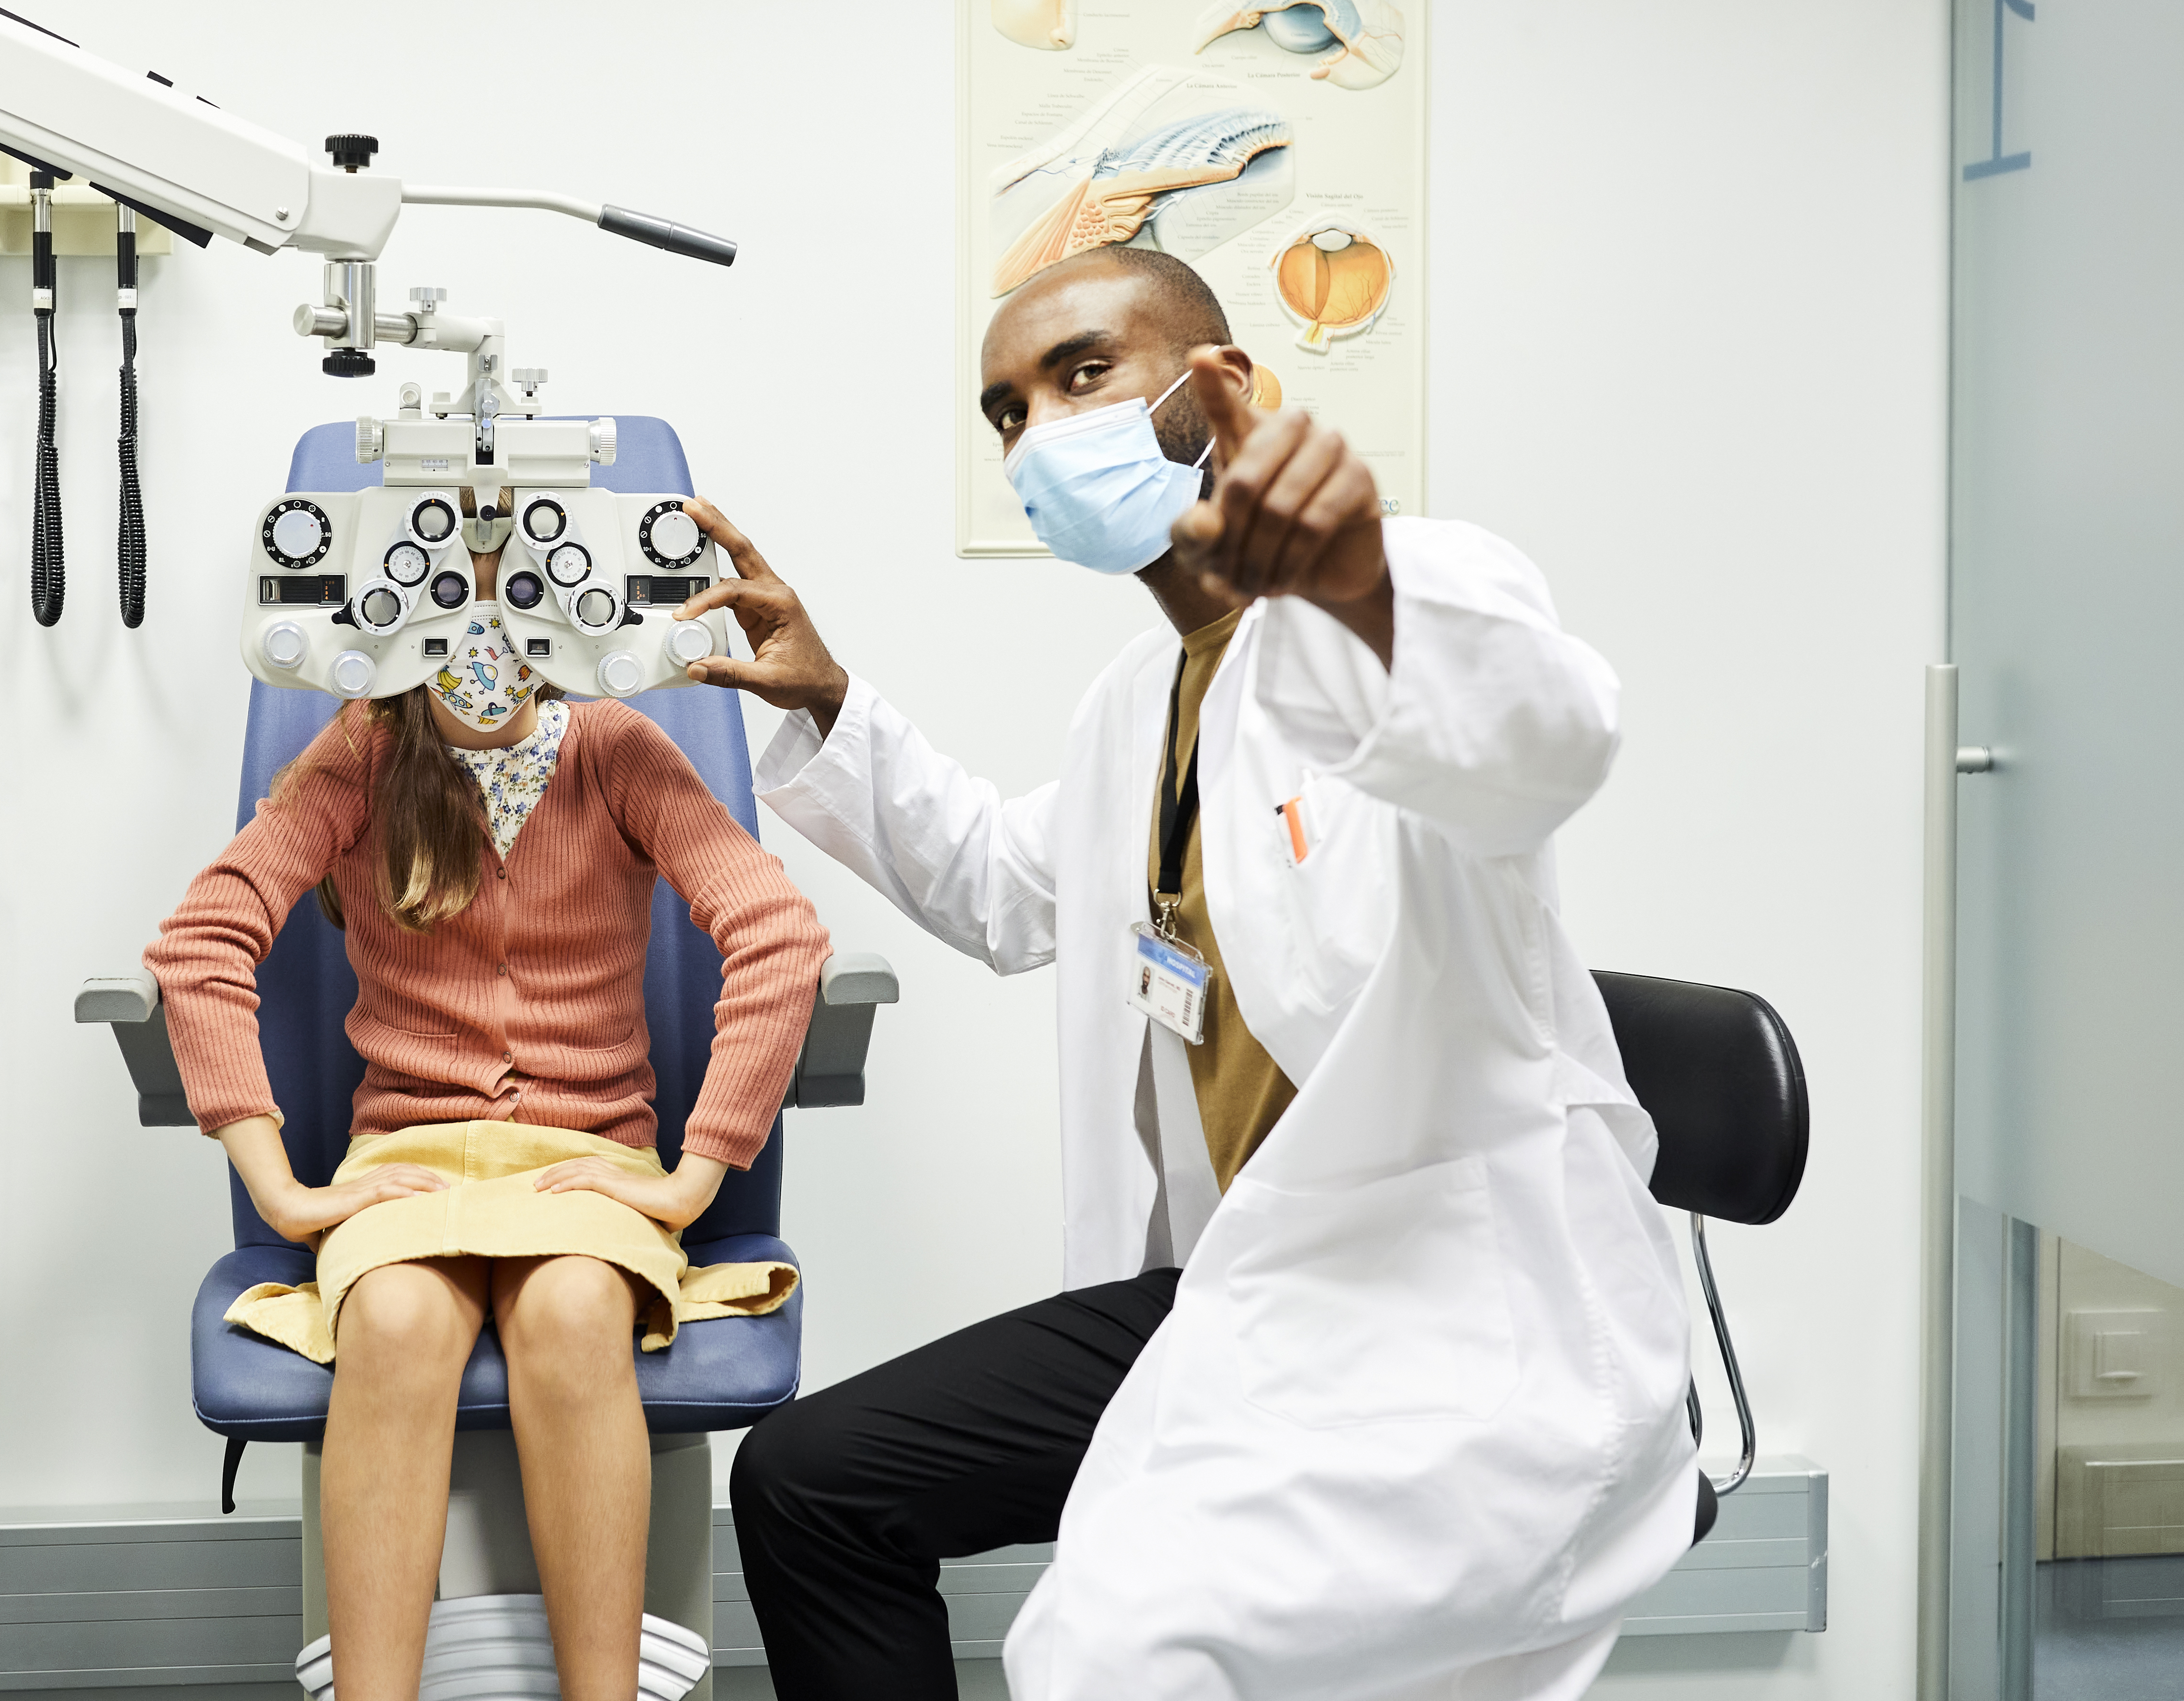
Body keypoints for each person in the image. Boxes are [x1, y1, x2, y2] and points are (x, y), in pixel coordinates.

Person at [674, 246, 1693, 1701]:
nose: (1034, 432)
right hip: (1234, 1284)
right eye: (1004, 411)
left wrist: (1358, 584)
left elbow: (1542, 740)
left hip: (1449, 1306)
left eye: (1081, 372)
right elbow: (1008, 886)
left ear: (1212, 386)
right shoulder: (1138, 698)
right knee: (809, 1481)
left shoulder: (1414, 590)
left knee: (1114, 1653)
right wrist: (836, 699)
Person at [143, 548, 829, 1701]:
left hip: (585, 1159)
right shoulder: (362, 753)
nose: (487, 634)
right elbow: (199, 943)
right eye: (455, 593)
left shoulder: (615, 747)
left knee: (570, 1311)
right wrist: (283, 1191)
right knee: (399, 1322)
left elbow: (778, 934)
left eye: (515, 590)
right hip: (408, 1162)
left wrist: (692, 1178)